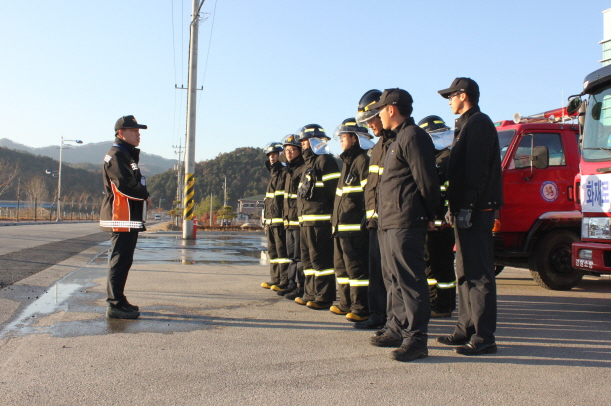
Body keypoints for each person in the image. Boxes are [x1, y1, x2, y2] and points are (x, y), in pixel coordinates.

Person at [366, 89, 440, 362]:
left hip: (405, 220)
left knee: (410, 280)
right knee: (393, 278)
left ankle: (416, 338)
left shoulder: (413, 136)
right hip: (389, 220)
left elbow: (426, 180)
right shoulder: (396, 139)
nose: (379, 115)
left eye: (381, 110)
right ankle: (396, 328)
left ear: (392, 109)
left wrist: (431, 215)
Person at [437, 77, 503, 355]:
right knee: (464, 272)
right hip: (466, 209)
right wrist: (454, 206)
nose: (449, 101)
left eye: (451, 96)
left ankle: (484, 337)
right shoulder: (465, 125)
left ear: (463, 95)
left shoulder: (478, 124)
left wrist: (467, 206)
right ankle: (465, 329)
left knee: (479, 274)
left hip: (477, 210)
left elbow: (476, 171)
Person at [100, 115, 152, 319]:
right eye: (134, 131)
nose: (138, 134)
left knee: (124, 259)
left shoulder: (125, 154)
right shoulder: (117, 155)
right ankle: (114, 304)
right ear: (121, 133)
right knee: (119, 259)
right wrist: (144, 194)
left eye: (138, 131)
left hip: (127, 214)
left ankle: (119, 300)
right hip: (121, 214)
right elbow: (124, 184)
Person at [354, 89, 395, 331]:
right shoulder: (378, 147)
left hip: (393, 221)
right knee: (376, 273)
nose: (369, 126)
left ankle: (394, 320)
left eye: (371, 120)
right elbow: (372, 186)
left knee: (392, 275)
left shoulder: (397, 142)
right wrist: (369, 214)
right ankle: (378, 314)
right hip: (375, 221)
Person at [330, 118, 374, 322]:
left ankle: (360, 307)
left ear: (355, 138)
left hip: (355, 228)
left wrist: (365, 218)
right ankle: (345, 303)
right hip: (341, 226)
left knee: (357, 269)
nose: (340, 140)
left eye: (343, 136)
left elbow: (369, 193)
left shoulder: (362, 160)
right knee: (342, 268)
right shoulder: (348, 162)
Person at [294, 124, 340, 310]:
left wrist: (331, 217)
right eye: (302, 142)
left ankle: (324, 297)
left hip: (320, 220)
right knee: (308, 260)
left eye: (305, 141)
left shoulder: (325, 161)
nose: (303, 145)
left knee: (321, 260)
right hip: (306, 221)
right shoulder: (307, 165)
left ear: (315, 141)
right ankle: (310, 293)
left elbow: (333, 192)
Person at [417, 115, 457, 318]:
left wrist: (439, 221)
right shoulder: (435, 159)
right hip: (432, 223)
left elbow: (448, 195)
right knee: (430, 265)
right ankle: (434, 301)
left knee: (442, 266)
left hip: (442, 226)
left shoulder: (446, 159)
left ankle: (444, 305)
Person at [260, 142, 291, 292]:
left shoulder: (284, 172)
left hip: (280, 220)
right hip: (271, 221)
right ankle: (275, 279)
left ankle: (284, 281)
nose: (271, 157)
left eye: (274, 154)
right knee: (273, 251)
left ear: (280, 155)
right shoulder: (273, 174)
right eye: (270, 155)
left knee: (282, 251)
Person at [280, 134, 305, 300]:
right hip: (289, 220)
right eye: (286, 150)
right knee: (291, 255)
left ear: (300, 151)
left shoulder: (302, 169)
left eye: (292, 149)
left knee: (299, 255)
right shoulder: (289, 171)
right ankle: (291, 284)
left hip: (298, 219)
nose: (288, 153)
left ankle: (300, 286)